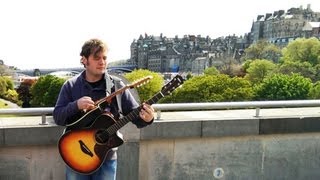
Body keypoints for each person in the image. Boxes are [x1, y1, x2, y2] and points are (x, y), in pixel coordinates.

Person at [53, 38, 154, 180]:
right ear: (84, 60)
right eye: (96, 58)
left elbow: (136, 117)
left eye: (104, 58)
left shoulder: (117, 86)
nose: (102, 62)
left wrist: (148, 118)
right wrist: (76, 105)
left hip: (107, 158)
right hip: (77, 155)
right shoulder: (71, 86)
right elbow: (58, 117)